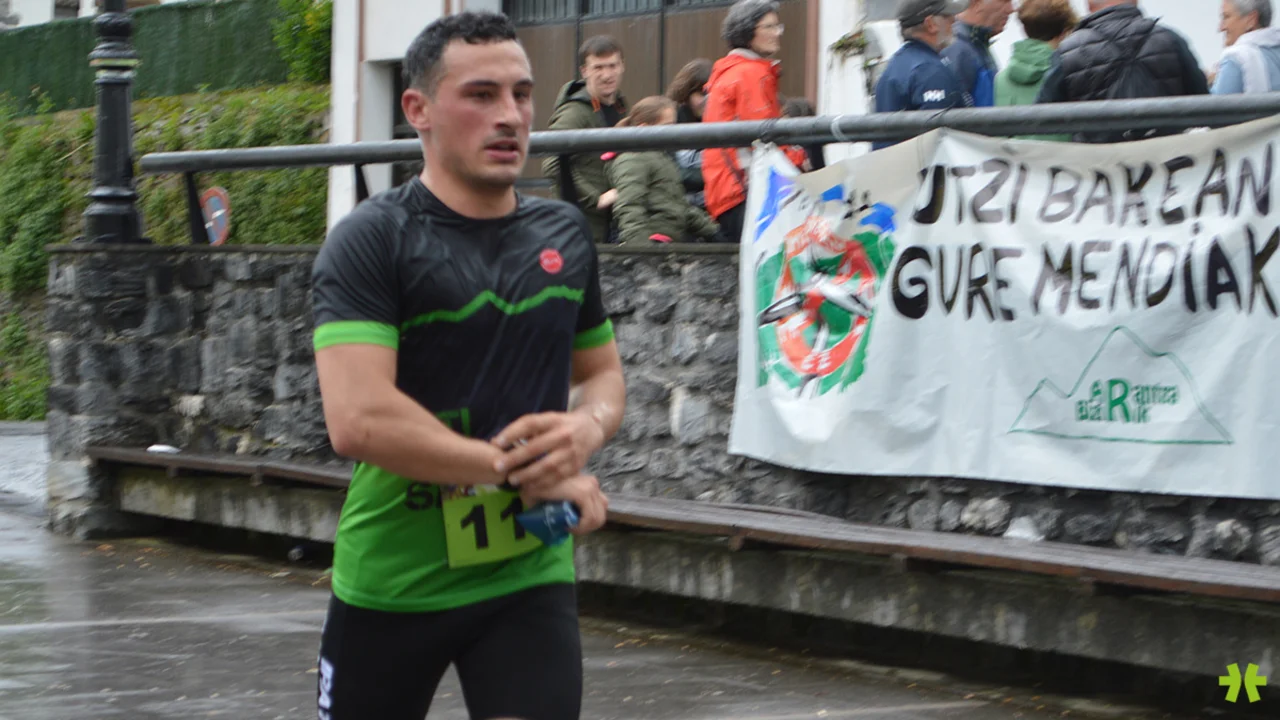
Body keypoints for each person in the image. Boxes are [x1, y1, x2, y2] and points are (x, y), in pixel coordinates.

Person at [310, 11, 626, 720]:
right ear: (417, 109)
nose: (510, 115)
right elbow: (358, 419)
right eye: (481, 95)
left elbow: (601, 376)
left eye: (521, 94)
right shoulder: (371, 240)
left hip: (529, 574)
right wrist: (521, 471)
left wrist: (587, 429)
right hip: (395, 580)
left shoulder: (564, 233)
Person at [701, 0, 807, 244]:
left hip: (726, 192)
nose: (777, 33)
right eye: (769, 27)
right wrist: (800, 160)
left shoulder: (731, 71)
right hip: (746, 192)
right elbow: (765, 135)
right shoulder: (751, 74)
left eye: (777, 26)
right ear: (747, 32)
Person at [1035, 0, 1209, 144]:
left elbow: (1042, 116)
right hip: (1167, 166)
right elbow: (1205, 106)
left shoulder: (1068, 51)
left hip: (1099, 169)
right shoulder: (1170, 40)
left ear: (1089, 4)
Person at [542, 35, 628, 243]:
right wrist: (596, 198)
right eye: (598, 67)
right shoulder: (574, 112)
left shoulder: (620, 107)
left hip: (613, 225)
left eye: (612, 66)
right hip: (581, 228)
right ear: (584, 71)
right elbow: (552, 163)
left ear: (622, 66)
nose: (607, 75)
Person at [604, 96, 721, 245]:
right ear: (644, 128)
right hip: (652, 244)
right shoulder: (632, 159)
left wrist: (713, 232)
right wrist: (641, 247)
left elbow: (678, 206)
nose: (673, 132)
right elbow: (629, 205)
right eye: (667, 126)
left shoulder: (662, 158)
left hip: (666, 242)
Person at [872, 0, 970, 151]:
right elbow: (937, 142)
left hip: (890, 163)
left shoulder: (895, 65)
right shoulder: (929, 70)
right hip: (917, 164)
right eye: (947, 15)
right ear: (930, 24)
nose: (954, 20)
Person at [994, 0, 1078, 141]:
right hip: (1059, 154)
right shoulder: (1071, 74)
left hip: (1011, 154)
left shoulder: (1000, 79)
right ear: (1064, 33)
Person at [942, 0, 1015, 107]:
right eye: (1004, 1)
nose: (1012, 9)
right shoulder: (958, 50)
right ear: (977, 4)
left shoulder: (976, 43)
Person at [665, 58, 714, 209]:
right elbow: (672, 172)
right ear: (686, 93)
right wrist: (713, 175)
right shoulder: (670, 122)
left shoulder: (720, 124)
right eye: (702, 94)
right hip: (678, 204)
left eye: (713, 93)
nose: (708, 100)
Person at [1212, 0, 1280, 94]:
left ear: (1251, 20)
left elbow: (1217, 102)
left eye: (1226, 17)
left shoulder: (1236, 57)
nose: (1221, 28)